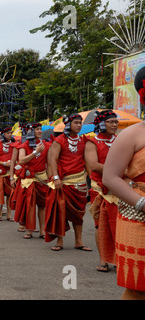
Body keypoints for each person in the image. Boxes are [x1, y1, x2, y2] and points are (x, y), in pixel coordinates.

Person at [103, 66, 145, 300]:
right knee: (138, 288)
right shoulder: (131, 135)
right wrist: (142, 203)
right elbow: (110, 178)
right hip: (138, 219)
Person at [44, 113, 91, 252]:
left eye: (80, 123)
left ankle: (78, 241)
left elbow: (87, 161)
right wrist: (56, 178)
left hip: (80, 183)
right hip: (63, 182)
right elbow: (53, 160)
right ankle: (60, 241)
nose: (78, 125)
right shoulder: (60, 140)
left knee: (79, 213)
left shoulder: (84, 140)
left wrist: (91, 180)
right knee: (61, 212)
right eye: (76, 122)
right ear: (69, 124)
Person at [85, 110, 119, 272]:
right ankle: (103, 259)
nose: (114, 124)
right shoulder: (92, 142)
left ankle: (119, 258)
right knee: (101, 225)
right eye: (111, 121)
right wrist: (119, 170)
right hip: (100, 189)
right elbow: (94, 165)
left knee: (120, 225)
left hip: (119, 188)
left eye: (115, 122)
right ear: (101, 123)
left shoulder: (120, 140)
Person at [15, 123, 51, 239]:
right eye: (37, 129)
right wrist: (35, 152)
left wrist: (51, 179)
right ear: (31, 132)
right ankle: (29, 230)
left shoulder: (46, 145)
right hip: (29, 179)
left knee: (42, 206)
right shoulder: (25, 145)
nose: (40, 131)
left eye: (41, 129)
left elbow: (49, 164)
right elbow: (21, 160)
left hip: (42, 179)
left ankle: (42, 231)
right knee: (30, 205)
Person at [0, 127, 15, 220]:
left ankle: (9, 214)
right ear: (3, 134)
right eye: (8, 133)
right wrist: (4, 163)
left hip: (10, 173)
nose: (10, 135)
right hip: (0, 173)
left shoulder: (13, 144)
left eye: (10, 133)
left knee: (10, 195)